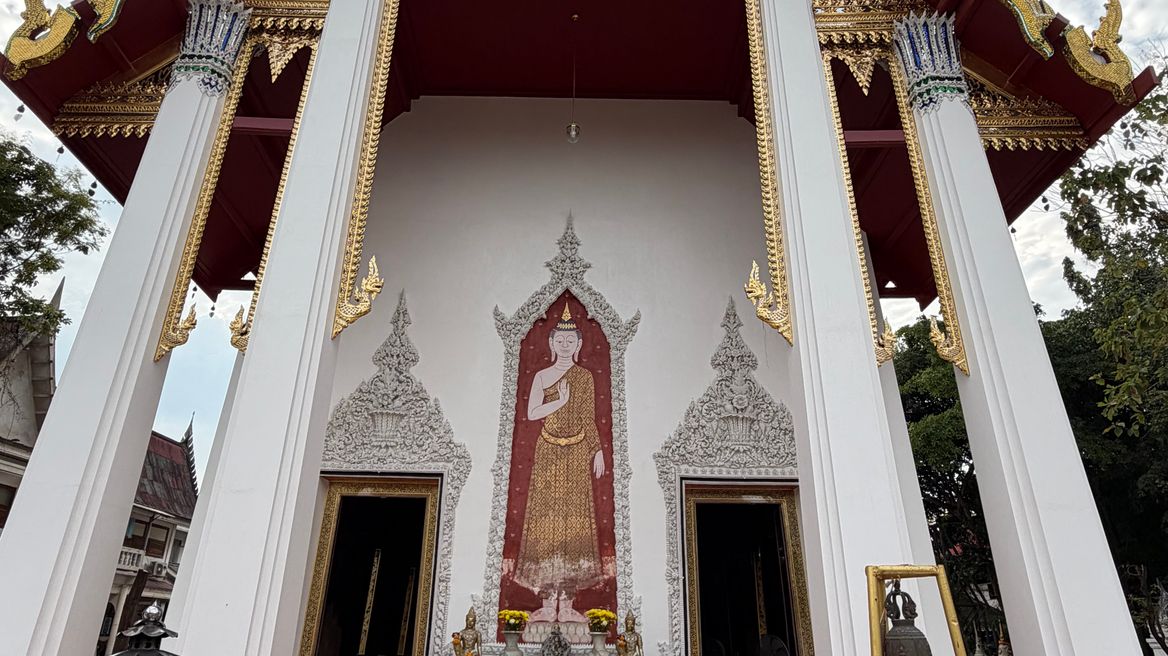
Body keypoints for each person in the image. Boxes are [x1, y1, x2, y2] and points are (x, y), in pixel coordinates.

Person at [514, 303, 606, 624]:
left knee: (574, 522)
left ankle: (567, 603)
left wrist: (597, 451)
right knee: (546, 521)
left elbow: (589, 418)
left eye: (571, 341)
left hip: (577, 451)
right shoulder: (542, 376)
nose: (565, 345)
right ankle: (545, 600)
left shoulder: (584, 377)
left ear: (578, 345)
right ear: (552, 343)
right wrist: (560, 401)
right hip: (548, 451)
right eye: (560, 340)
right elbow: (531, 413)